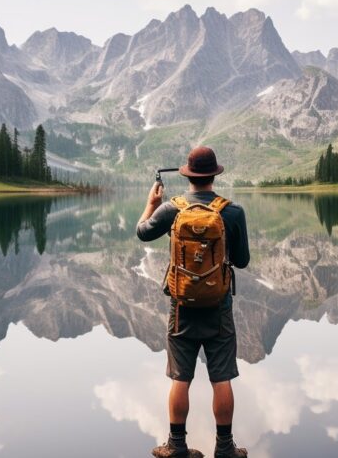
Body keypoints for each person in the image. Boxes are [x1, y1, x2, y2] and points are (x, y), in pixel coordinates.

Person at [137, 146, 250, 458]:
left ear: (187, 176)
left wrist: (150, 204)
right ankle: (225, 448)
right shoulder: (232, 212)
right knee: (222, 377)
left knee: (180, 377)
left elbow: (142, 233)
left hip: (181, 308)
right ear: (214, 175)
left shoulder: (172, 209)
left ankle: (176, 446)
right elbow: (241, 261)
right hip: (219, 306)